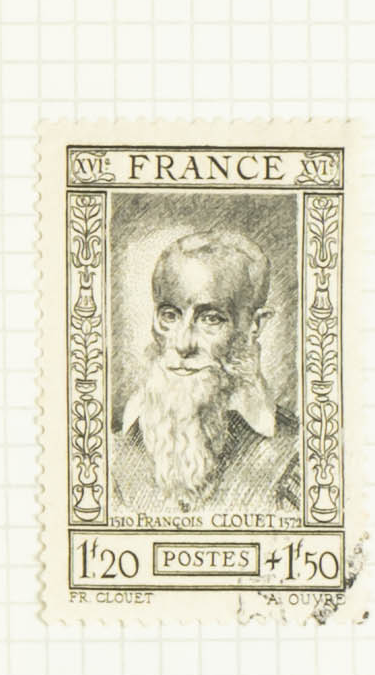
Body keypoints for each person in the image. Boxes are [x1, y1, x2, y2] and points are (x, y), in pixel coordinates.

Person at [82, 219, 308, 521]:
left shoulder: (298, 456)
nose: (183, 343)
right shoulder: (106, 456)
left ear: (255, 325)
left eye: (211, 319)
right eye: (170, 315)